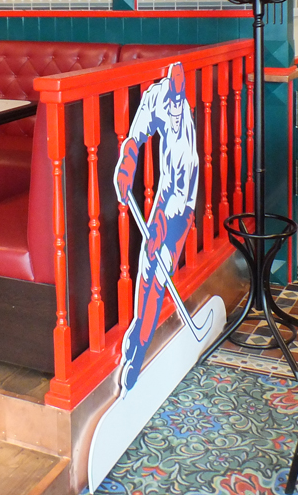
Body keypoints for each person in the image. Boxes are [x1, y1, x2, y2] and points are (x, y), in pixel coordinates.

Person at [114, 62, 199, 392]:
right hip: (165, 195)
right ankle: (139, 331)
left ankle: (138, 355)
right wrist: (128, 160)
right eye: (171, 102)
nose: (173, 110)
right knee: (145, 269)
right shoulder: (157, 95)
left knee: (159, 270)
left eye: (177, 103)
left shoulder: (185, 144)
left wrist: (162, 227)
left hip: (183, 206)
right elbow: (138, 133)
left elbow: (181, 194)